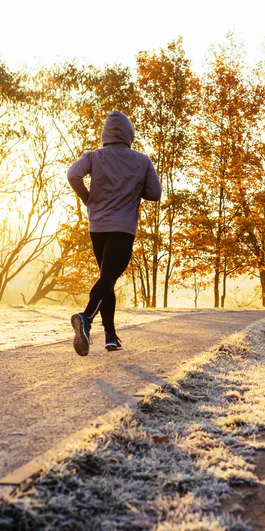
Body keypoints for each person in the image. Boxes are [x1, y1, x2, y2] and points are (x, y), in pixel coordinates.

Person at [66, 110, 161, 356]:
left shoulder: (94, 156)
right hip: (123, 228)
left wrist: (88, 198)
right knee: (107, 278)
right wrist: (133, 186)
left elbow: (72, 174)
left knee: (106, 279)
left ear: (105, 133)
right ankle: (85, 318)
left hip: (97, 227)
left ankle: (110, 336)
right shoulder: (142, 161)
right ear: (129, 133)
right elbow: (155, 193)